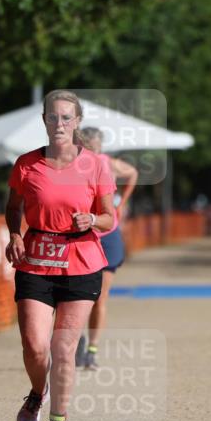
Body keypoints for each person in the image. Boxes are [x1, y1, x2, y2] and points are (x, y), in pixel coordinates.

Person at [5, 90, 116, 421]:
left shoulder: (96, 164)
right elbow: (13, 206)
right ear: (44, 120)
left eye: (67, 117)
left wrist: (93, 219)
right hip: (36, 259)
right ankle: (39, 391)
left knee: (64, 348)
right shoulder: (26, 163)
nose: (59, 123)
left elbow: (109, 217)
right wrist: (13, 233)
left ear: (77, 122)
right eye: (53, 117)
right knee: (35, 345)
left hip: (81, 260)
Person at [75, 127, 138, 371]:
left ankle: (92, 348)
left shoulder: (107, 162)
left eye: (95, 146)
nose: (91, 150)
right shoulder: (75, 164)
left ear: (101, 147)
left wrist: (122, 202)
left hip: (108, 235)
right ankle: (77, 341)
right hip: (84, 234)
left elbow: (132, 172)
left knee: (99, 298)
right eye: (87, 146)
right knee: (77, 297)